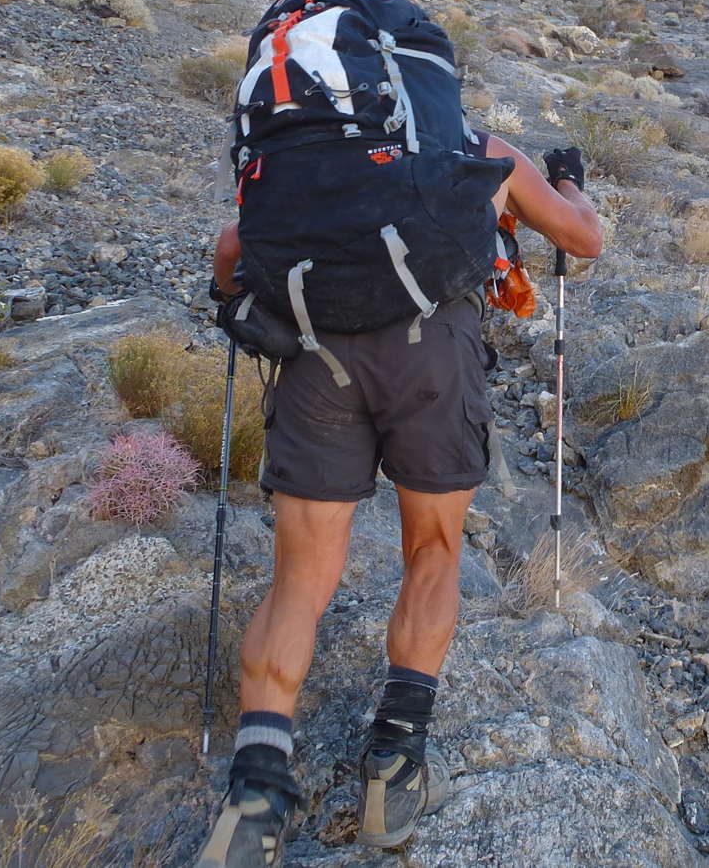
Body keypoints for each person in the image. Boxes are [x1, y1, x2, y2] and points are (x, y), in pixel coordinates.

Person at [193, 139, 602, 867]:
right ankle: (395, 765)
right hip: (433, 351)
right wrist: (568, 180)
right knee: (434, 550)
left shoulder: (309, 152)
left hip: (317, 356)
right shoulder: (475, 147)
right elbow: (584, 237)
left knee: (300, 578)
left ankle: (254, 795)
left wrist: (231, 301)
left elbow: (230, 246)